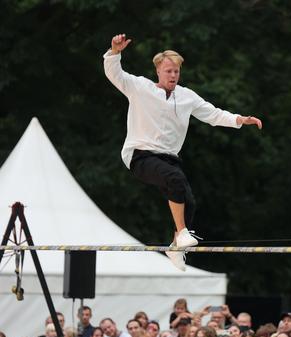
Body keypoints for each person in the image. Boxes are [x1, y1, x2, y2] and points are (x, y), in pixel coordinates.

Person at [103, 33, 262, 270]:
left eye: (176, 72)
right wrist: (115, 52)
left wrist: (240, 119)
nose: (173, 75)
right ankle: (182, 233)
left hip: (169, 158)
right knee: (175, 179)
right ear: (158, 71)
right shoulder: (140, 87)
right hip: (140, 155)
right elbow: (115, 74)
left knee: (189, 201)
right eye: (168, 71)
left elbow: (213, 114)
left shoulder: (187, 96)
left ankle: (175, 247)